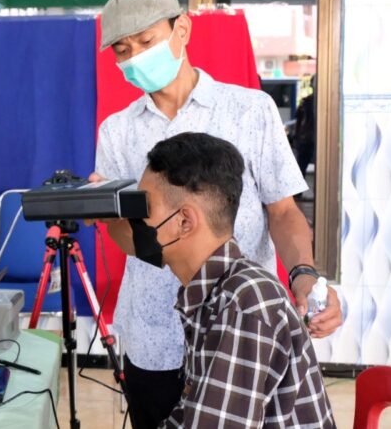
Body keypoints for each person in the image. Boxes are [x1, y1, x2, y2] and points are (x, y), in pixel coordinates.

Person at [93, 0, 342, 428]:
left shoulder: (250, 110)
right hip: (155, 335)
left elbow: (282, 211)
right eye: (122, 50)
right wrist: (110, 214)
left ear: (182, 29)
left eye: (146, 42)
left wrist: (303, 273)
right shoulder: (118, 131)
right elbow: (122, 232)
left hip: (238, 326)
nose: (134, 58)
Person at [135, 132, 334, 428]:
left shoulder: (245, 304)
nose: (134, 223)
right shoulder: (212, 292)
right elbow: (192, 411)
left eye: (143, 210)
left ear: (184, 222)